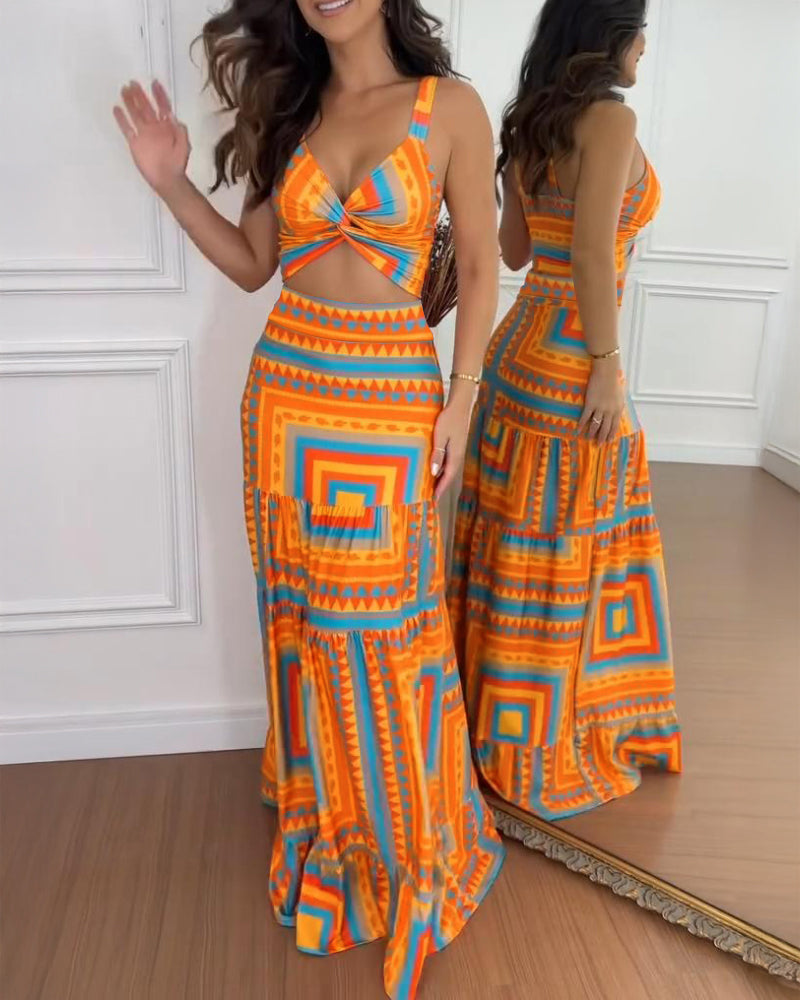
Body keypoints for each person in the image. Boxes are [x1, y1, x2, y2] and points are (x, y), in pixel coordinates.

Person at [113, 1, 503, 997]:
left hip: (392, 400)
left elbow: (480, 263)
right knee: (304, 625)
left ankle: (414, 855)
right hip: (287, 399)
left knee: (386, 632)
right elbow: (254, 266)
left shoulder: (447, 107)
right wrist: (170, 183)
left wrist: (462, 400)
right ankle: (334, 825)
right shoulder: (290, 109)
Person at [448, 0, 682, 822]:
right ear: (610, 34)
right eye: (640, 28)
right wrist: (608, 368)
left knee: (512, 546)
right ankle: (541, 744)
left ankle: (487, 725)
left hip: (516, 356)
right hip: (573, 363)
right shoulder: (611, 121)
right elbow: (590, 253)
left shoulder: (533, 120)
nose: (645, 44)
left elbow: (517, 250)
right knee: (566, 551)